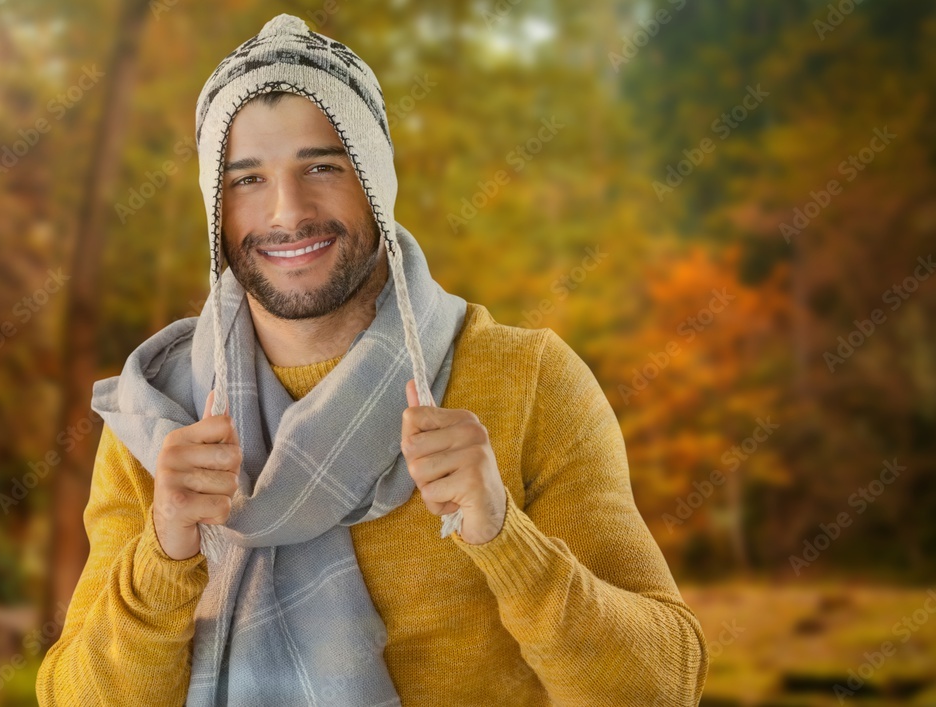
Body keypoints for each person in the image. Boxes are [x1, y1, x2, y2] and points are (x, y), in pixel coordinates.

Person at [36, 13, 708, 706]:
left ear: (377, 181)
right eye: (247, 179)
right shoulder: (160, 421)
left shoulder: (530, 379)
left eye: (322, 166)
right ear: (216, 210)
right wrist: (165, 551)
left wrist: (506, 539)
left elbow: (663, 685)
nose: (287, 211)